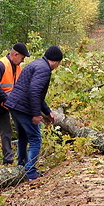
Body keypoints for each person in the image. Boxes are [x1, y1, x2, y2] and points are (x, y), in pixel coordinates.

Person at [5, 45, 63, 181]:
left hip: (15, 105)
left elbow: (36, 93)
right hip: (23, 107)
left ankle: (22, 166)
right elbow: (34, 91)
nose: (57, 66)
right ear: (55, 61)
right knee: (35, 139)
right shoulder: (44, 69)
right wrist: (36, 114)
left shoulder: (37, 64)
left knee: (23, 137)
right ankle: (30, 173)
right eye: (59, 63)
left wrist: (48, 112)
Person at [0, 42, 30, 164]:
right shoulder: (0, 65)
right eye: (22, 58)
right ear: (16, 54)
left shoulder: (17, 68)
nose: (22, 61)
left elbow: (18, 87)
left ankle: (8, 160)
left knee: (6, 132)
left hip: (4, 105)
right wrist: (6, 100)